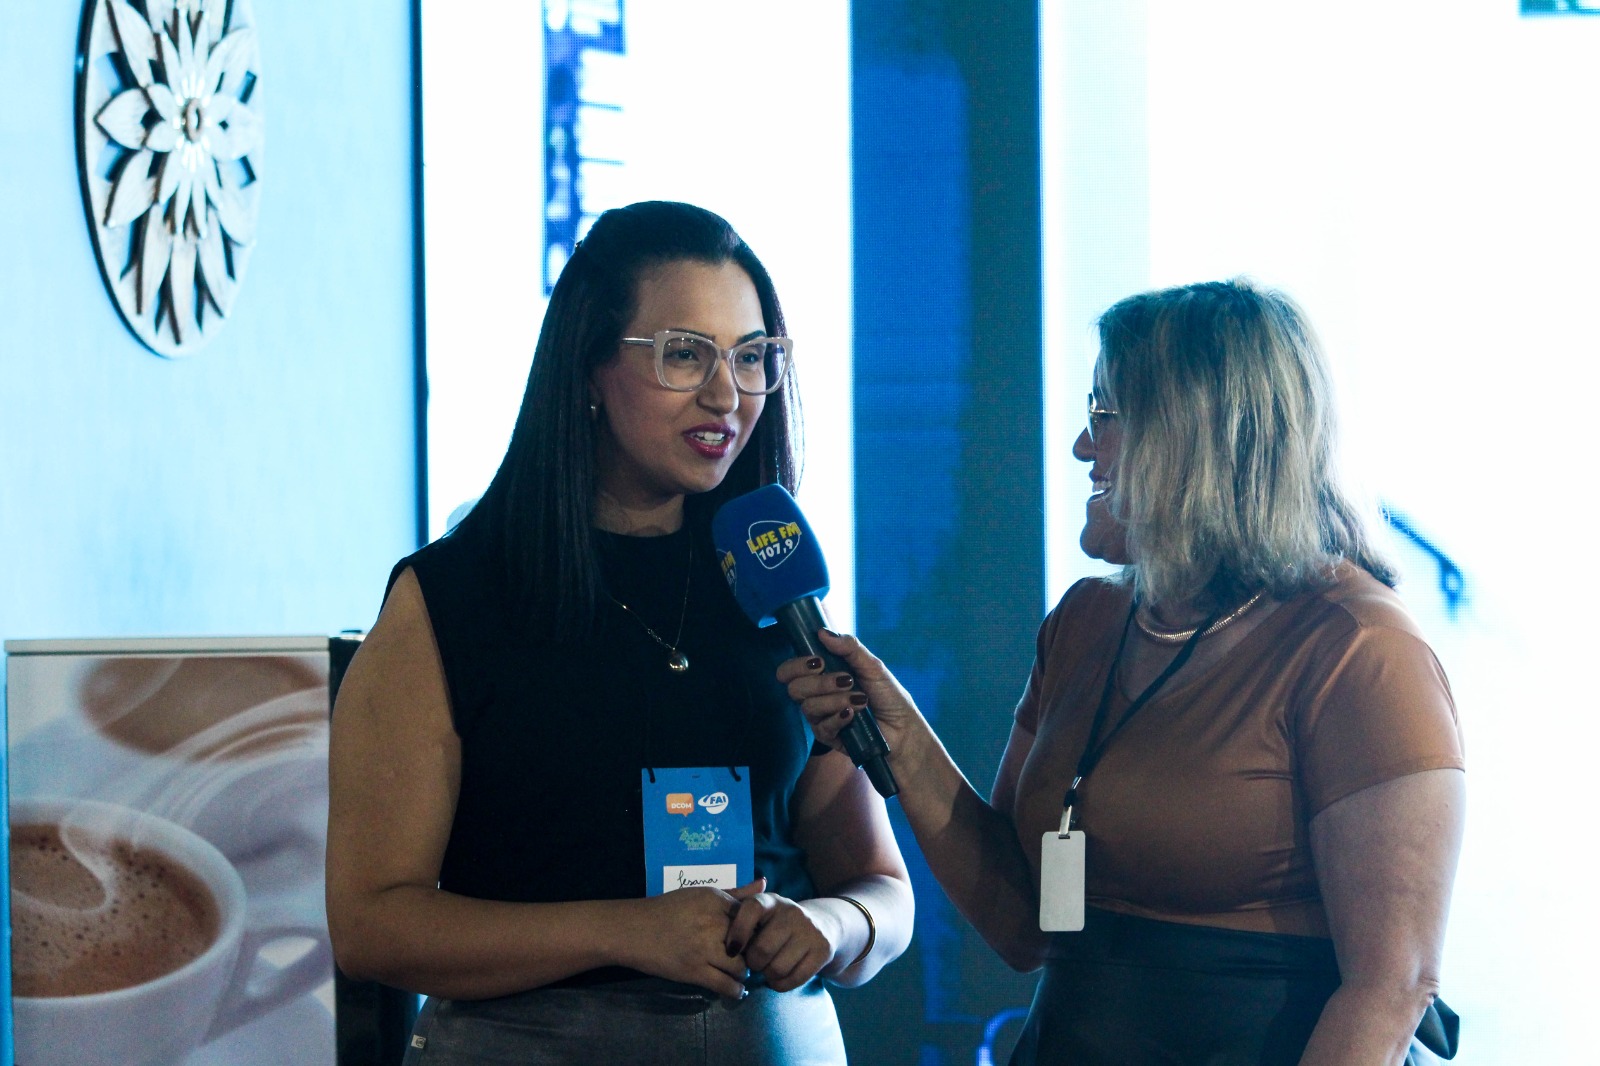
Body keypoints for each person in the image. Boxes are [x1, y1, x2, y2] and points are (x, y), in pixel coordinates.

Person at [782, 280, 1464, 1065]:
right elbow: (1022, 923)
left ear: (1200, 434)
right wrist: (901, 738)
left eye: (1106, 413)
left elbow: (1392, 987)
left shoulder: (1359, 648)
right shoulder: (1087, 622)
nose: (1083, 445)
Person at [327, 201, 912, 1065]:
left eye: (753, 357)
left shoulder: (771, 583)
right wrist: (625, 932)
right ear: (588, 366)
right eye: (686, 354)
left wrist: (831, 924)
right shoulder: (452, 598)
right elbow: (371, 923)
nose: (727, 394)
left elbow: (884, 890)